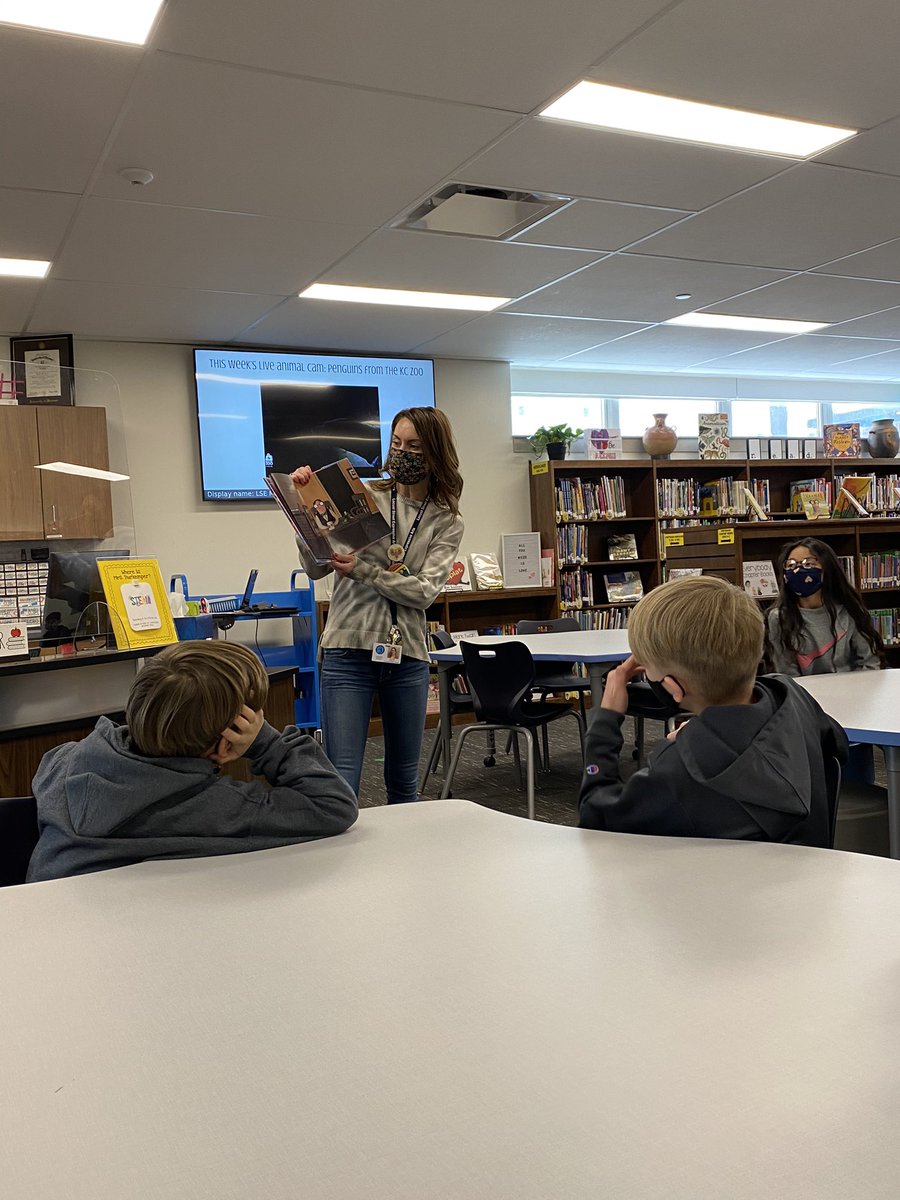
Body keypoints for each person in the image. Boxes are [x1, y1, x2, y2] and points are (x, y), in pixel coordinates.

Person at [27, 641, 358, 882]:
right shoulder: (218, 807)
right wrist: (264, 742)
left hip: (40, 930)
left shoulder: (65, 761)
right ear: (226, 743)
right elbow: (333, 805)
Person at [578, 576, 849, 846]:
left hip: (725, 875)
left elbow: (596, 816)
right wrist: (706, 736)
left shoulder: (678, 771)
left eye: (647, 668)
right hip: (813, 864)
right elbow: (836, 747)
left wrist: (606, 719)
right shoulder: (790, 695)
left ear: (674, 687)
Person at [292, 407, 464, 804]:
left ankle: (404, 849)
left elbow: (423, 592)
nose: (402, 453)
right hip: (347, 649)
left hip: (408, 656)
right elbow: (317, 568)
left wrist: (364, 572)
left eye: (415, 447)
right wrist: (304, 511)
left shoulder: (445, 520)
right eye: (397, 443)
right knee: (342, 780)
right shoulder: (362, 494)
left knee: (404, 783)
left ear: (435, 452)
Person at [765, 537, 882, 675]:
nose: (798, 570)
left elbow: (869, 664)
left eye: (808, 563)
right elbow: (787, 676)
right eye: (791, 565)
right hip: (803, 689)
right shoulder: (779, 618)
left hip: (851, 686)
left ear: (827, 568)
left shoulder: (850, 611)